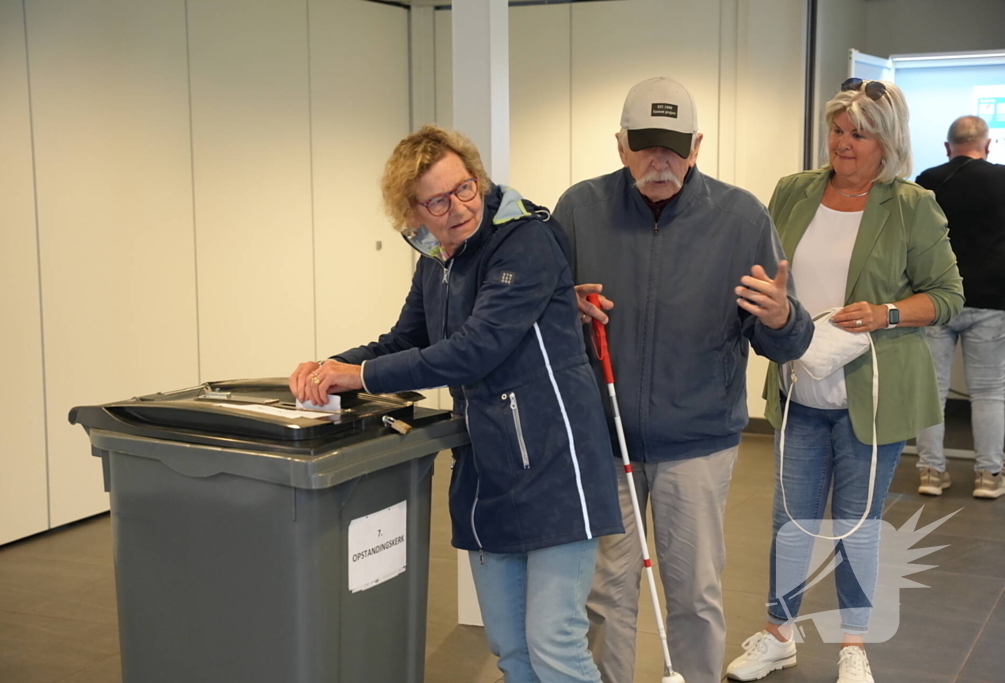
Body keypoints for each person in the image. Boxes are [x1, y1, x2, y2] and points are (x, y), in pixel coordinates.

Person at [289, 125, 623, 683]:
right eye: (438, 201)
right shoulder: (436, 261)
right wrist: (329, 368)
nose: (459, 208)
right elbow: (406, 340)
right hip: (488, 469)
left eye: (465, 188)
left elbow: (475, 350)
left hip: (556, 464)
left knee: (555, 644)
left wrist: (361, 375)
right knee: (511, 650)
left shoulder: (525, 239)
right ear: (413, 212)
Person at [553, 76, 814, 683]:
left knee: (694, 595)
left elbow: (785, 339)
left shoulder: (740, 217)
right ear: (620, 145)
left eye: (673, 147)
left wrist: (783, 317)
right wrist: (561, 304)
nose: (659, 160)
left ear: (696, 146)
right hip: (604, 440)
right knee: (604, 596)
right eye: (645, 145)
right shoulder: (578, 210)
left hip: (697, 442)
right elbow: (538, 317)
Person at [727, 80, 964, 683]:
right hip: (798, 391)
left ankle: (853, 643)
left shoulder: (912, 204)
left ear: (886, 141)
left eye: (858, 133)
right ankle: (779, 634)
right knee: (791, 519)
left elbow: (947, 296)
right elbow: (762, 270)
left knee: (857, 522)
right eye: (837, 130)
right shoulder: (793, 191)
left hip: (873, 397)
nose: (843, 143)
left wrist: (884, 312)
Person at [914, 115, 1005, 499]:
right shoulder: (1003, 178)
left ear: (948, 147)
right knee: (989, 391)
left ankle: (931, 472)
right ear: (986, 146)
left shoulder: (928, 181)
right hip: (993, 299)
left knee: (931, 389)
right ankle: (989, 475)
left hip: (936, 300)